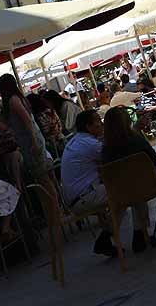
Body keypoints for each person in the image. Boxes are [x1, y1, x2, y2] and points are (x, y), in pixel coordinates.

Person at [101, 107, 156, 248]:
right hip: (150, 186)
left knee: (136, 187)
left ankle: (141, 234)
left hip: (122, 193)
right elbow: (154, 159)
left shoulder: (105, 150)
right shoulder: (135, 140)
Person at [59, 109, 118, 256]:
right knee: (127, 190)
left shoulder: (76, 140)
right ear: (88, 126)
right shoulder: (90, 144)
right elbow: (114, 157)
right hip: (83, 198)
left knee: (121, 190)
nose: (101, 124)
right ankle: (136, 235)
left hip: (75, 198)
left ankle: (107, 236)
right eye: (98, 121)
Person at [0, 73, 55, 198]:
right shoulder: (19, 98)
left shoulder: (13, 100)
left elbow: (27, 121)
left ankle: (53, 208)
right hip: (31, 140)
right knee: (44, 177)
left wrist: (34, 142)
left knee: (42, 178)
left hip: (30, 141)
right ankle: (54, 207)